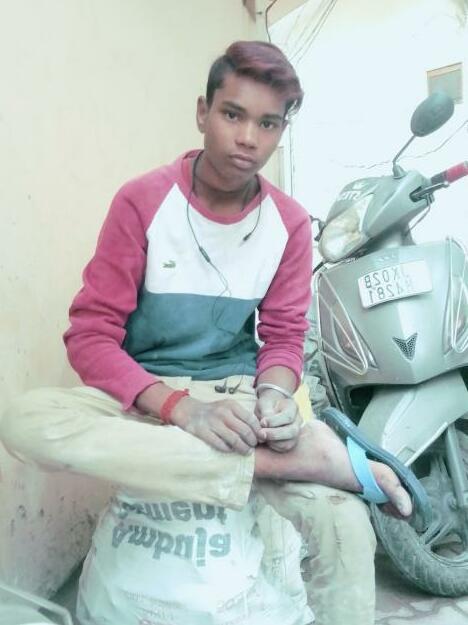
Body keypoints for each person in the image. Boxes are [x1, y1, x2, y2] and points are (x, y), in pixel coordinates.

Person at [0, 41, 412, 625]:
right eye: (232, 114)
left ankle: (285, 459)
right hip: (146, 399)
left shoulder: (290, 224)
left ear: (281, 132)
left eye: (268, 124)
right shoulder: (143, 201)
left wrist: (274, 396)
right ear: (203, 112)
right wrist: (181, 410)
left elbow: (283, 336)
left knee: (345, 523)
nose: (247, 139)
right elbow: (90, 336)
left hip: (234, 398)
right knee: (25, 420)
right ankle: (285, 464)